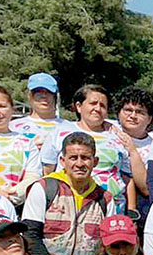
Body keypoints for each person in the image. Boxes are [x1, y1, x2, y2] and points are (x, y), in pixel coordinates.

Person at [21, 133, 117, 255]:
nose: (79, 163)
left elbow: (108, 247)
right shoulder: (44, 188)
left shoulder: (105, 199)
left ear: (95, 161)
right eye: (73, 158)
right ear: (62, 161)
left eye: (85, 158)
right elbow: (30, 237)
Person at [40, 84, 144, 214]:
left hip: (112, 210)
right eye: (93, 103)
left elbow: (127, 177)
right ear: (79, 106)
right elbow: (47, 170)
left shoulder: (117, 135)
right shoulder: (60, 131)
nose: (98, 109)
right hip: (66, 208)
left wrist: (131, 210)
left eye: (103, 106)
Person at [113, 87, 153, 219]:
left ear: (150, 118)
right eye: (128, 110)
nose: (133, 116)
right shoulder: (107, 133)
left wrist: (132, 151)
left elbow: (146, 188)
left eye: (140, 112)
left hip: (139, 212)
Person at [10, 73, 72, 152]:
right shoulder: (13, 127)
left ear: (55, 96)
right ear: (29, 96)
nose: (43, 97)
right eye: (38, 93)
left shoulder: (69, 128)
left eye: (48, 92)